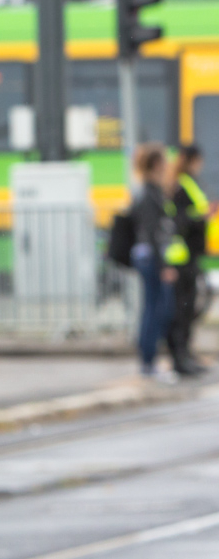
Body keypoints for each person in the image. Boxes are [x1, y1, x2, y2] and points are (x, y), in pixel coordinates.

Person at [131, 142, 179, 382]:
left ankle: (148, 359)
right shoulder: (150, 193)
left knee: (155, 307)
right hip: (153, 260)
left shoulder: (150, 190)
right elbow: (153, 234)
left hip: (149, 258)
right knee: (156, 309)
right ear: (158, 164)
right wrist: (165, 266)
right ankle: (148, 361)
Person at [166, 144, 209, 376]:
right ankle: (180, 358)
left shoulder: (187, 182)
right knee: (182, 309)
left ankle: (185, 355)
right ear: (192, 160)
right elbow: (180, 219)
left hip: (190, 255)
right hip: (181, 257)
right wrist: (201, 216)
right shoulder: (181, 185)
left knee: (189, 307)